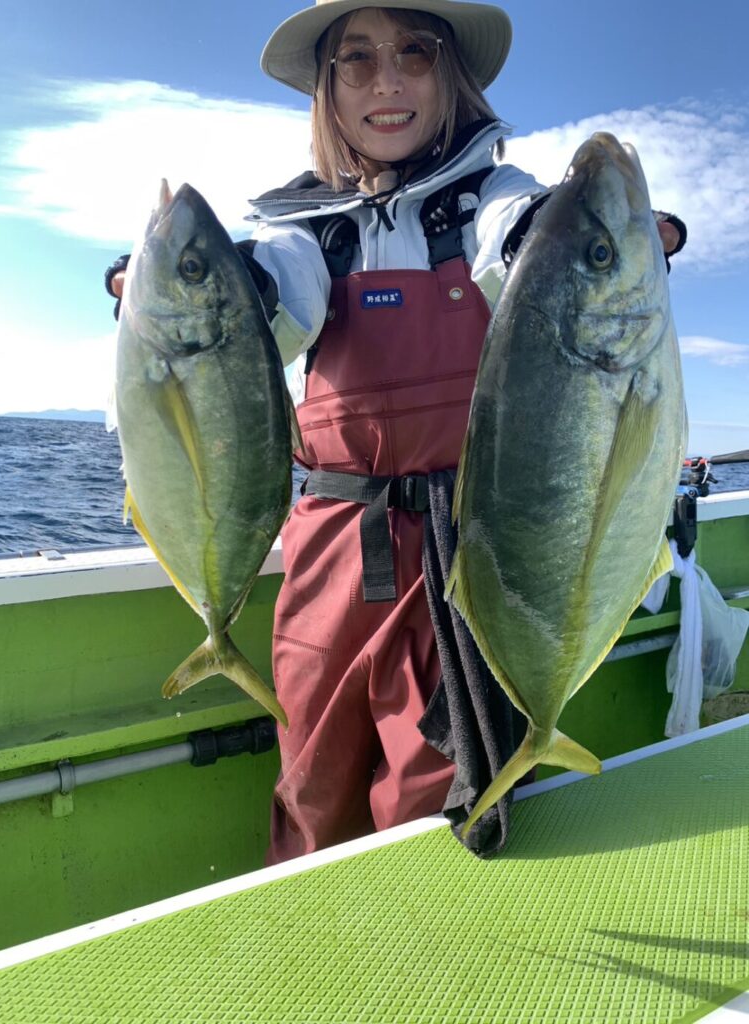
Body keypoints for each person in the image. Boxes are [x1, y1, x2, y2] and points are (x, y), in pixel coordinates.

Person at [106, 0, 685, 865]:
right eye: (358, 59)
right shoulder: (298, 227)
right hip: (329, 553)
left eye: (414, 52)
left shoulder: (489, 195)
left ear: (449, 75)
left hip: (463, 559)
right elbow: (280, 300)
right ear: (327, 89)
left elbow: (516, 240)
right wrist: (193, 289)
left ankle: (438, 938)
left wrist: (572, 240)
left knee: (431, 800)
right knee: (313, 781)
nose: (387, 81)